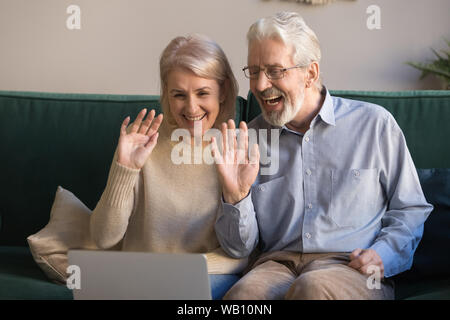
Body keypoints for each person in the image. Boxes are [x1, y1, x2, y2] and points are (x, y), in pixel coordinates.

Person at [211, 12, 433, 300]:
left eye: (275, 71)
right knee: (242, 298)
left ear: (311, 73)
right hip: (276, 265)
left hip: (350, 267)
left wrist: (383, 255)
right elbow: (239, 249)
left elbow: (411, 208)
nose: (261, 85)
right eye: (254, 72)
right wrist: (236, 196)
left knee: (313, 289)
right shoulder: (249, 140)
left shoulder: (374, 124)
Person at [90, 34, 247, 299]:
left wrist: (180, 270)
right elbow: (103, 238)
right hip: (137, 281)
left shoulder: (238, 148)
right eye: (179, 95)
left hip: (203, 279)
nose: (191, 107)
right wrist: (124, 169)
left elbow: (245, 253)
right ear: (166, 93)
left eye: (202, 93)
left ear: (224, 91)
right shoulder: (140, 139)